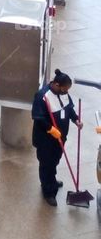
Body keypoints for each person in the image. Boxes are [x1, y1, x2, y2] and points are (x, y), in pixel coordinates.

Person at [32, 69, 81, 205]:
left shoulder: (64, 93)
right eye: (65, 89)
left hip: (61, 137)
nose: (66, 92)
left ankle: (51, 180)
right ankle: (48, 191)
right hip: (45, 140)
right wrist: (51, 129)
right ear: (57, 85)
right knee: (46, 164)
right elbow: (38, 118)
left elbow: (69, 109)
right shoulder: (42, 96)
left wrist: (76, 120)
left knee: (54, 161)